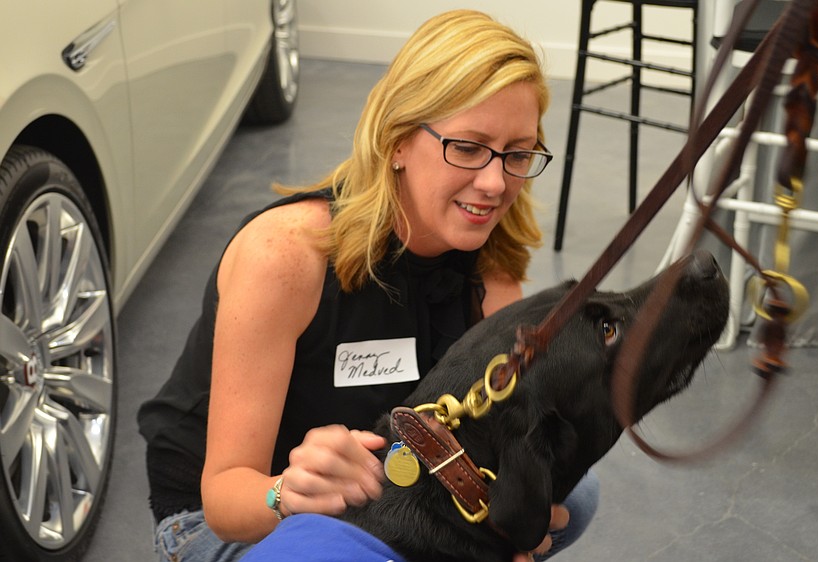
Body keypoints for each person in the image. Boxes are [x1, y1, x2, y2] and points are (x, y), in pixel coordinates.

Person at [137, 9, 598, 562]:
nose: (496, 182)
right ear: (398, 141)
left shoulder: (489, 260)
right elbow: (226, 499)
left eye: (517, 153)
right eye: (469, 147)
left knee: (577, 491)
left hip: (389, 490)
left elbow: (499, 435)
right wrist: (290, 492)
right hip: (244, 515)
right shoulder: (285, 256)